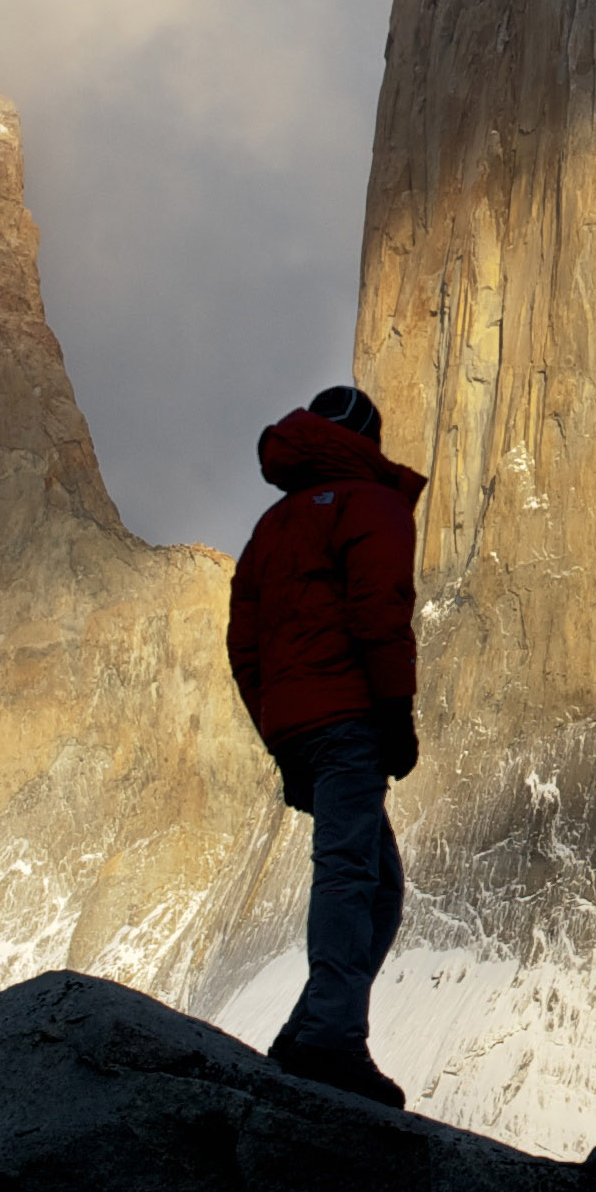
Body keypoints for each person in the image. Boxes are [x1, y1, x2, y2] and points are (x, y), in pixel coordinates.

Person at [224, 382, 426, 1108]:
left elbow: (243, 644)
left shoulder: (271, 527)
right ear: (366, 439)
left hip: (298, 726)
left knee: (380, 884)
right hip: (348, 719)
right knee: (349, 875)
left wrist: (278, 726)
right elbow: (382, 612)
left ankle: (310, 1028)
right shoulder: (372, 505)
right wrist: (394, 713)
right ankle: (333, 1042)